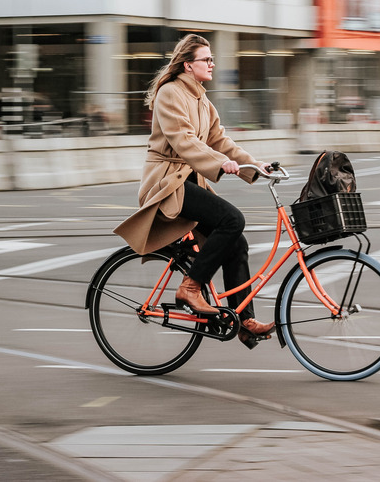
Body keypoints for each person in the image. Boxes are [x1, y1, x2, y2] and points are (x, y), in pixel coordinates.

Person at [114, 34, 275, 347]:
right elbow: (184, 142)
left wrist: (256, 166)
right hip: (167, 182)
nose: (212, 63)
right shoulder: (170, 94)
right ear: (188, 65)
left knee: (237, 243)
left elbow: (221, 141)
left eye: (212, 58)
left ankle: (243, 319)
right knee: (232, 219)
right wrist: (220, 163)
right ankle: (191, 287)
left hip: (188, 181)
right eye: (206, 59)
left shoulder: (202, 99)